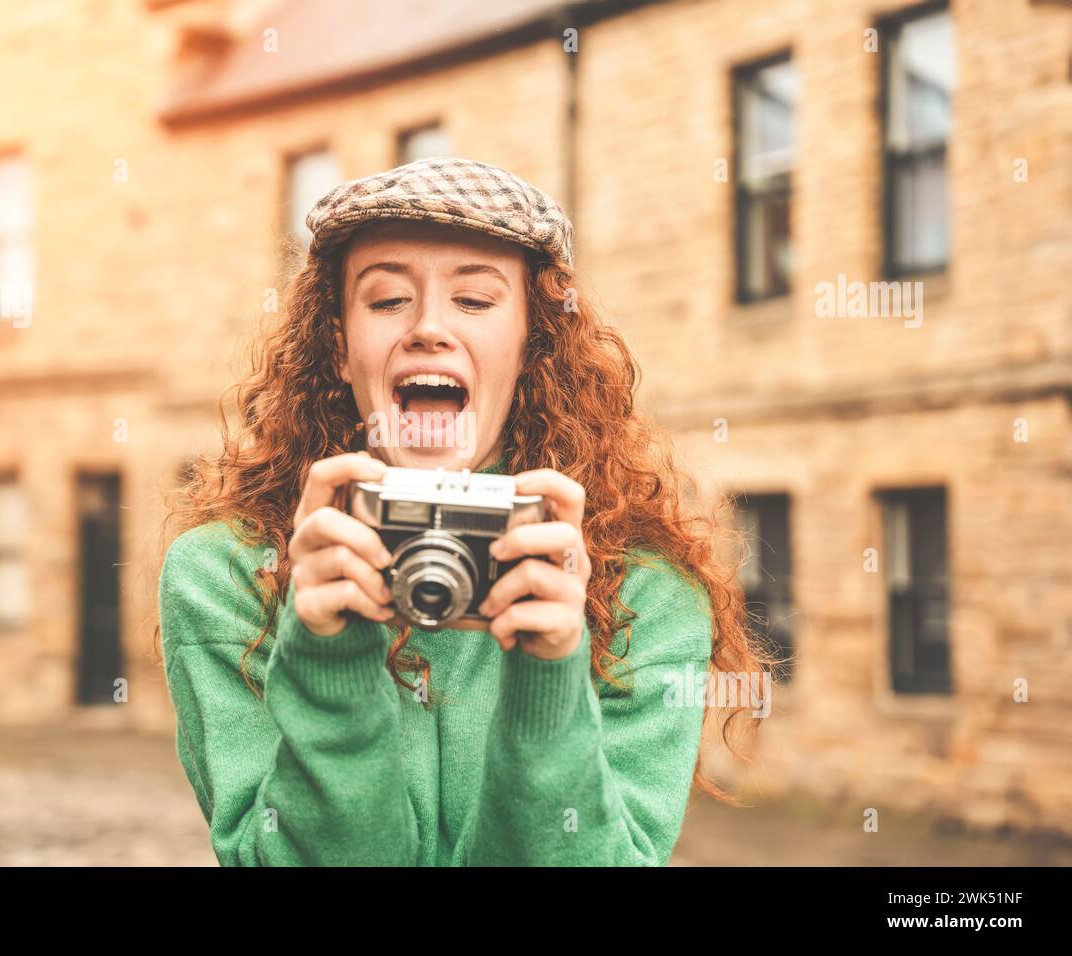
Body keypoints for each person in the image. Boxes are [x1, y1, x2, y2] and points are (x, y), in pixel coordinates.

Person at [158, 156, 762, 866]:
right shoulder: (226, 574)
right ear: (341, 351)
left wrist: (549, 678)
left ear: (533, 346)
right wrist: (329, 661)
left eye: (475, 301)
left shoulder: (645, 592)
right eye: (386, 301)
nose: (428, 328)